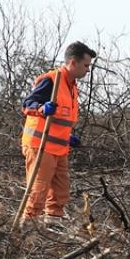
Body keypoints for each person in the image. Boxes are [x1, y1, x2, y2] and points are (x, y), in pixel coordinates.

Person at [19, 41, 96, 223]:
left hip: (59, 148)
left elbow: (61, 119)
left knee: (60, 192)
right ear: (73, 63)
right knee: (38, 190)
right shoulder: (51, 81)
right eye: (85, 65)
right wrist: (41, 108)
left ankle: (52, 230)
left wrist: (67, 137)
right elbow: (27, 104)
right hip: (40, 146)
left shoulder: (72, 86)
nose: (88, 70)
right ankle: (27, 230)